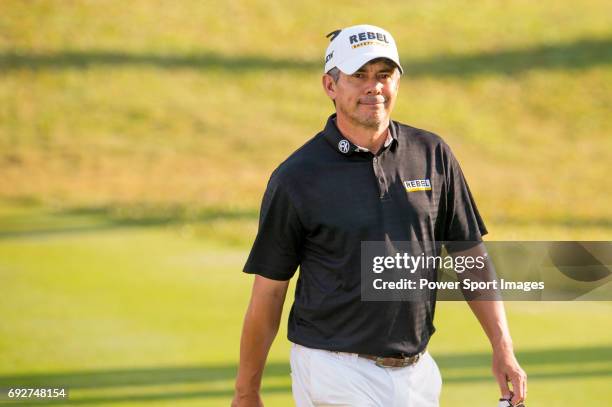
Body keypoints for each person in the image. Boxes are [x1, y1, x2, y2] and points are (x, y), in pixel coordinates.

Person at [232, 24, 527, 407]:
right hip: (333, 369)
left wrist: (502, 347)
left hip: (417, 373)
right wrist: (246, 392)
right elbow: (269, 292)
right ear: (330, 86)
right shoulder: (297, 177)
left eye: (384, 75)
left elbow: (470, 257)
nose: (374, 87)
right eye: (359, 76)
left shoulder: (432, 154)